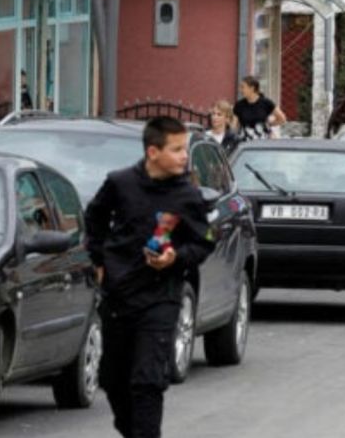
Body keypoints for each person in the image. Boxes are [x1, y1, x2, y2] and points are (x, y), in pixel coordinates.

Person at [85, 117, 216, 438]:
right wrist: (99, 261)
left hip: (161, 296)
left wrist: (175, 258)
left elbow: (204, 242)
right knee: (114, 379)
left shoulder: (187, 195)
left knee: (148, 380)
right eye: (177, 149)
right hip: (119, 295)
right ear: (153, 152)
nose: (184, 156)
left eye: (185, 149)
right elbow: (94, 217)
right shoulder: (120, 183)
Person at [234, 76, 286, 141]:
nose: (240, 90)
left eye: (243, 87)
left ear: (252, 88)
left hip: (263, 141)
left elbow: (282, 118)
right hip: (245, 142)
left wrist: (269, 124)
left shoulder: (266, 103)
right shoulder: (239, 105)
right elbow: (235, 125)